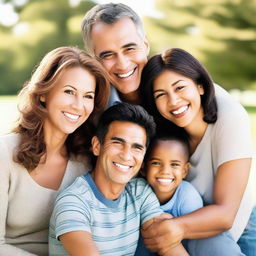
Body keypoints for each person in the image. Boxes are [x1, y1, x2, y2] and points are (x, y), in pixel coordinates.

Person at [140, 47, 256, 256]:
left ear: (201, 86)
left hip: (241, 227)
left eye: (180, 88)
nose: (173, 101)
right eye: (161, 94)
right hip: (188, 225)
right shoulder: (166, 135)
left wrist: (175, 228)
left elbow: (226, 215)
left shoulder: (230, 117)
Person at [0, 46, 110, 256]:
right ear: (44, 94)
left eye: (88, 96)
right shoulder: (4, 153)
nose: (79, 106)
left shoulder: (86, 162)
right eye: (69, 91)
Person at [49, 103, 189, 256]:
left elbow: (168, 246)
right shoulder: (74, 202)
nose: (126, 156)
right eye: (117, 142)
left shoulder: (139, 192)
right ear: (97, 146)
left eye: (137, 147)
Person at [135, 130, 245, 256]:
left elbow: (198, 243)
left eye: (174, 164)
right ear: (143, 168)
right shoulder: (138, 192)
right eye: (156, 163)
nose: (165, 171)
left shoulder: (187, 196)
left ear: (185, 171)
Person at [81, 2, 150, 105]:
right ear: (93, 61)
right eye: (108, 55)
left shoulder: (178, 93)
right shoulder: (88, 111)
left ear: (146, 45)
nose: (122, 65)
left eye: (129, 49)